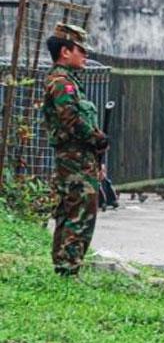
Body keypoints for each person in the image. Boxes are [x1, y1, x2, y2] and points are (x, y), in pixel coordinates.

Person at [41, 23, 109, 277]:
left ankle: (67, 268)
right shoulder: (61, 83)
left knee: (77, 211)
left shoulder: (70, 82)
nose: (85, 56)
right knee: (78, 214)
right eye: (81, 50)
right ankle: (67, 270)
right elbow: (71, 120)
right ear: (65, 52)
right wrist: (97, 138)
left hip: (83, 158)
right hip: (74, 160)